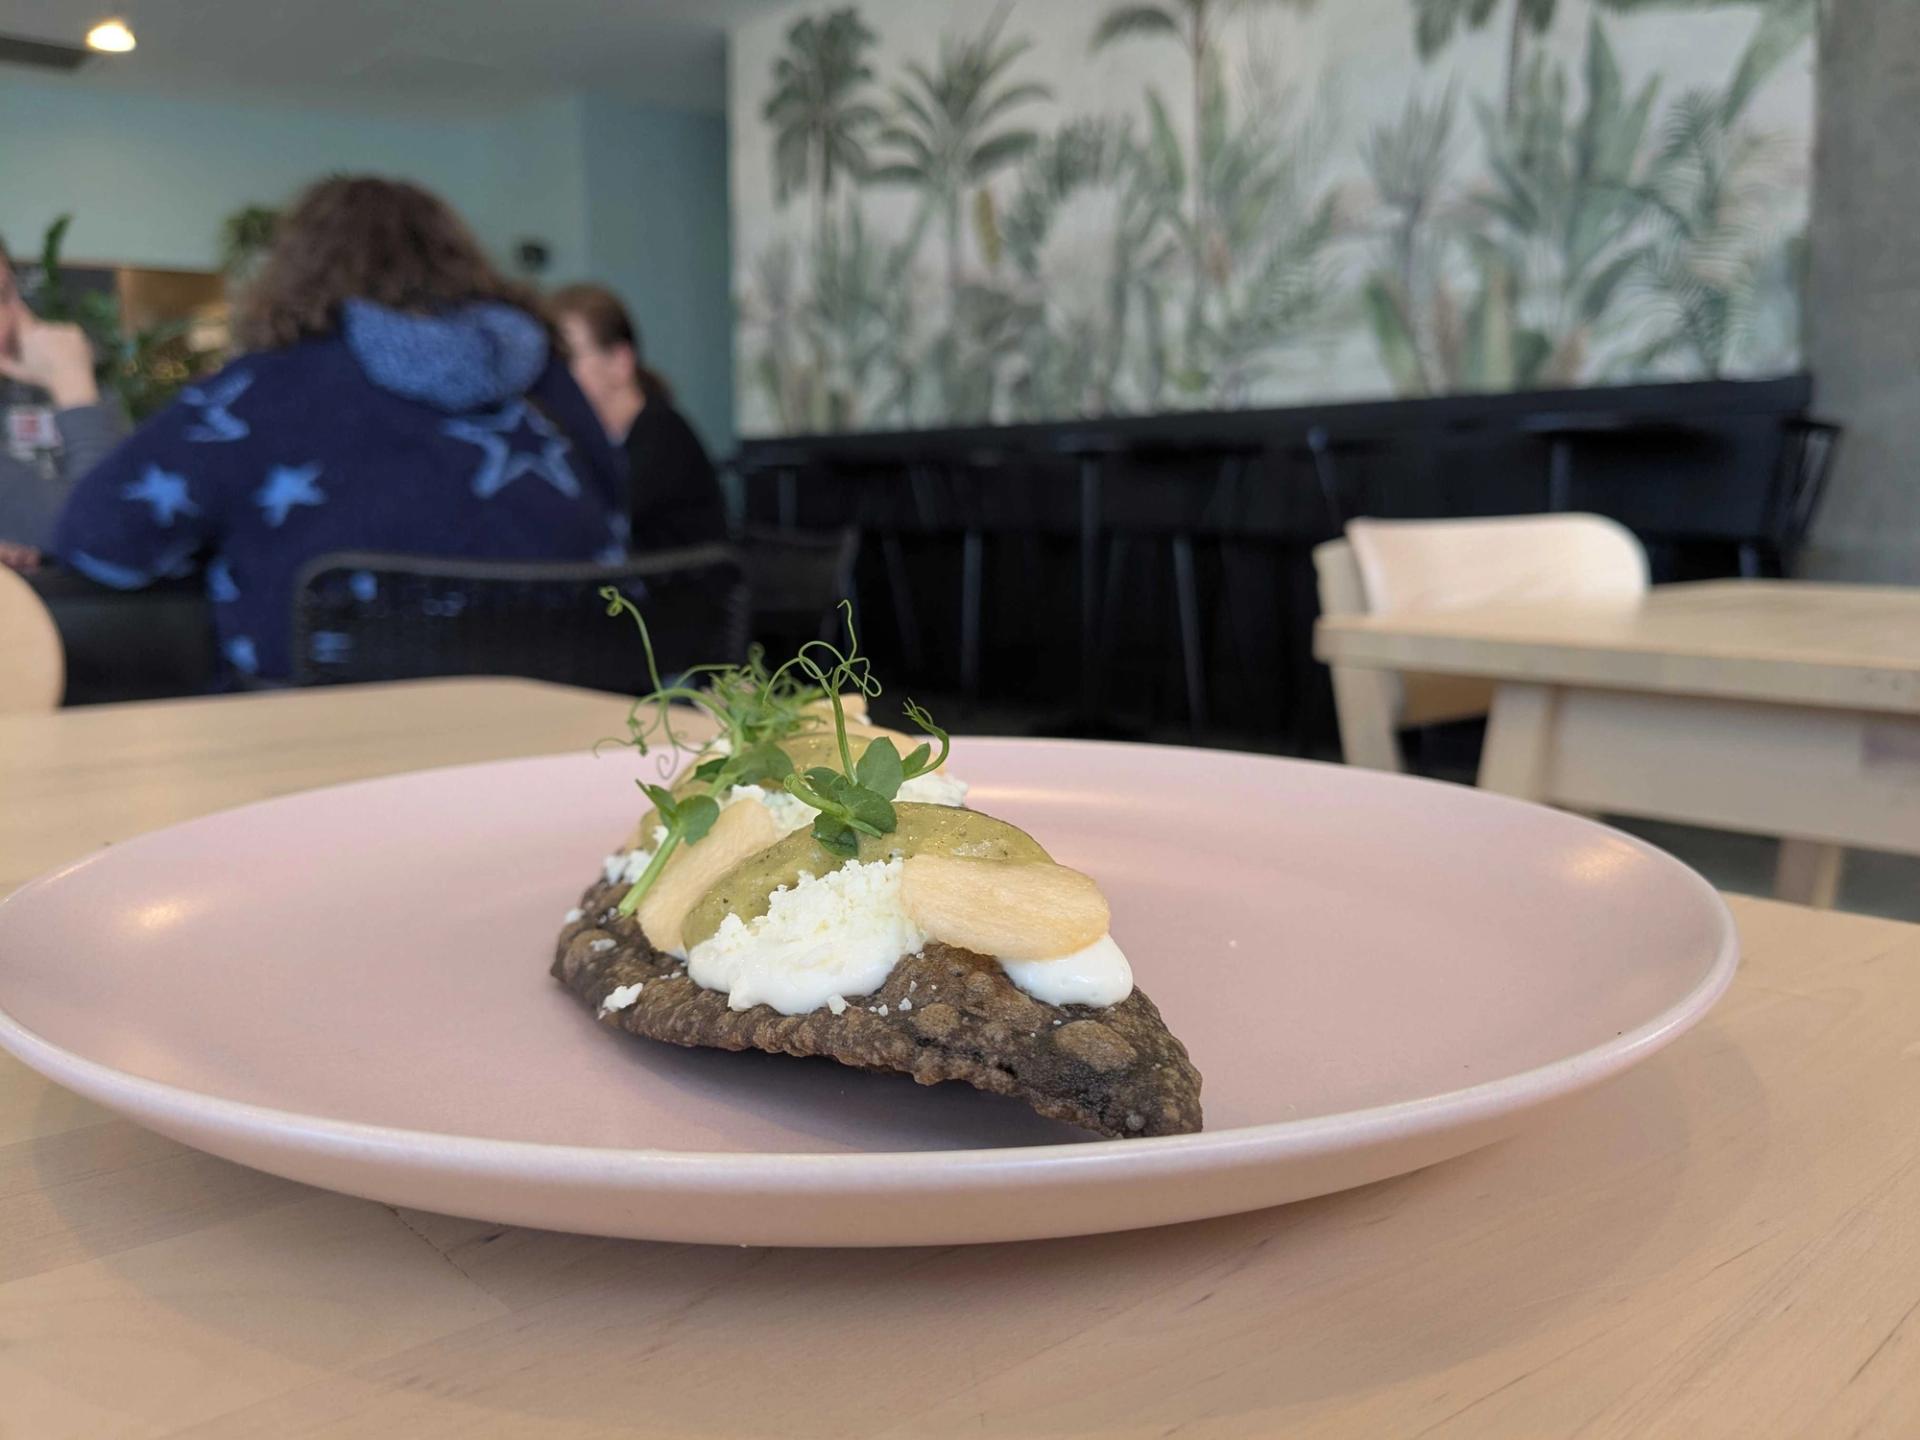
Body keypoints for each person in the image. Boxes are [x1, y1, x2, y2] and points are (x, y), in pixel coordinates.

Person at [52, 176, 627, 684]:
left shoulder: (265, 387)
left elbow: (99, 541)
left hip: (320, 754)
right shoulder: (545, 380)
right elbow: (622, 524)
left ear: (298, 269)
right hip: (563, 731)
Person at [549, 284, 727, 552]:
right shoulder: (590, 436)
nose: (553, 376)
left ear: (620, 362)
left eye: (567, 358)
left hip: (676, 591)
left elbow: (588, 522)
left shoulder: (663, 436)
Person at [0, 234, 122, 568]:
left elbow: (139, 522)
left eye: (3, 294)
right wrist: (75, 387)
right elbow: (102, 531)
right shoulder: (73, 387)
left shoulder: (55, 386)